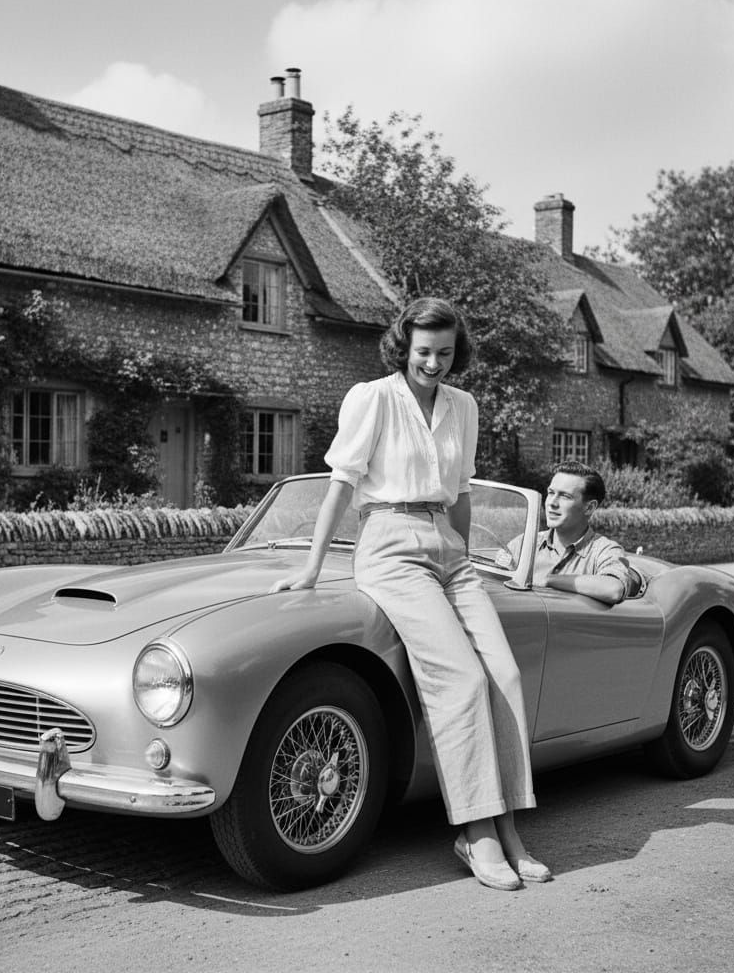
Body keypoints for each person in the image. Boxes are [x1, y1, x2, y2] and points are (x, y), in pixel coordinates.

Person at [270, 297, 550, 890]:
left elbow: (464, 492)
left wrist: (461, 558)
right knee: (462, 679)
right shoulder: (372, 398)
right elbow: (341, 486)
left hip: (449, 547)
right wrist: (313, 568)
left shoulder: (464, 406)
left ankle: (509, 829)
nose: (433, 363)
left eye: (445, 353)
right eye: (423, 352)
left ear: (457, 352)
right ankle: (476, 834)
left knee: (505, 674)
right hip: (391, 545)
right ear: (404, 346)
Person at [499, 461, 635, 604]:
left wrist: (547, 580)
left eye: (565, 496)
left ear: (589, 508)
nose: (552, 503)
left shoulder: (604, 550)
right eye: (551, 493)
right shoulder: (522, 544)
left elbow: (613, 589)